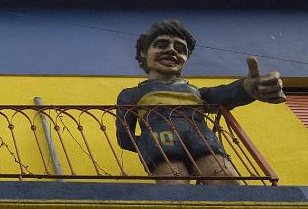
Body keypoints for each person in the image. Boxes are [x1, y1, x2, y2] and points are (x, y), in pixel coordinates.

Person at [115, 20, 285, 185]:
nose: (171, 51)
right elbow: (124, 136)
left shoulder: (195, 92)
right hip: (162, 143)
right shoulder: (131, 95)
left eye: (180, 49)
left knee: (226, 180)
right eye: (161, 45)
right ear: (144, 53)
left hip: (202, 139)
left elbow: (224, 93)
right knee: (174, 185)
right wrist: (147, 142)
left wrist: (249, 87)